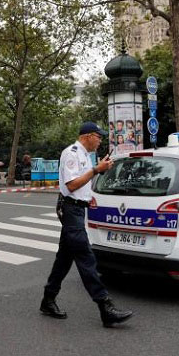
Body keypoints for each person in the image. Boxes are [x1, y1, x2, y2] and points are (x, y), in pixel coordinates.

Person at [40, 121, 133, 328]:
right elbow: (71, 185)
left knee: (64, 259)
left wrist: (92, 182)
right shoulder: (72, 153)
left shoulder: (84, 155)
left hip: (77, 209)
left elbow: (81, 185)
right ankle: (105, 306)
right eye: (98, 137)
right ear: (87, 136)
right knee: (86, 257)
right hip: (71, 210)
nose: (100, 141)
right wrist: (96, 170)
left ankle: (48, 299)